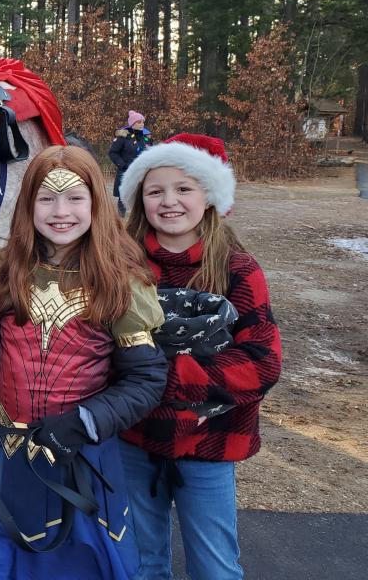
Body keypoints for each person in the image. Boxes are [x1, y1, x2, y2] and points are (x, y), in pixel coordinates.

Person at [0, 145, 168, 580]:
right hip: (5, 452)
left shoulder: (120, 280)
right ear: (28, 205)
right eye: (47, 198)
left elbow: (146, 379)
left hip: (79, 457)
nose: (62, 211)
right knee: (4, 563)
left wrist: (83, 422)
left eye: (75, 198)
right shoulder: (3, 269)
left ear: (96, 201)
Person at [118, 133, 282, 580]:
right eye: (155, 191)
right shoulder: (118, 264)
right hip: (134, 438)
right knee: (139, 562)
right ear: (139, 199)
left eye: (184, 188)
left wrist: (169, 378)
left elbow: (262, 362)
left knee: (215, 566)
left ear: (209, 197)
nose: (169, 201)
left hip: (210, 441)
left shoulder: (236, 267)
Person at [108, 111, 152, 216]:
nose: (142, 124)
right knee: (123, 196)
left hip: (142, 171)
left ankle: (141, 219)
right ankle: (120, 219)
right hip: (126, 170)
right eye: (139, 122)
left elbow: (150, 152)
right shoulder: (123, 137)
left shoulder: (145, 138)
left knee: (143, 195)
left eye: (143, 122)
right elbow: (112, 153)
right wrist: (123, 165)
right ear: (132, 124)